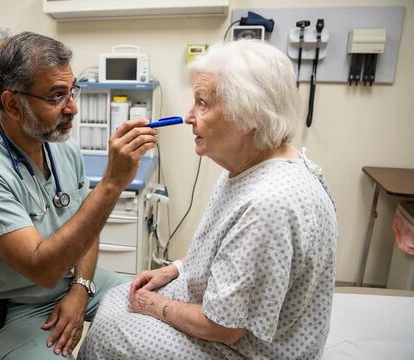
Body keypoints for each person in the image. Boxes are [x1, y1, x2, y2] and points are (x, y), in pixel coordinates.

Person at [78, 39, 338, 359]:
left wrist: (156, 305)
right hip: (222, 315)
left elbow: (224, 328)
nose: (189, 117)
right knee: (117, 297)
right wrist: (173, 269)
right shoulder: (255, 166)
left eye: (202, 103)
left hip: (245, 348)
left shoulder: (269, 205)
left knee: (109, 334)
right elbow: (228, 248)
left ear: (250, 114)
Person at [0, 31, 157, 359]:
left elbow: (87, 221)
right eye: (57, 96)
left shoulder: (61, 145)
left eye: (73, 92)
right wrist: (112, 183)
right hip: (13, 306)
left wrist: (80, 288)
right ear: (12, 103)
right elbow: (42, 269)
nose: (72, 108)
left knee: (153, 312)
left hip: (72, 279)